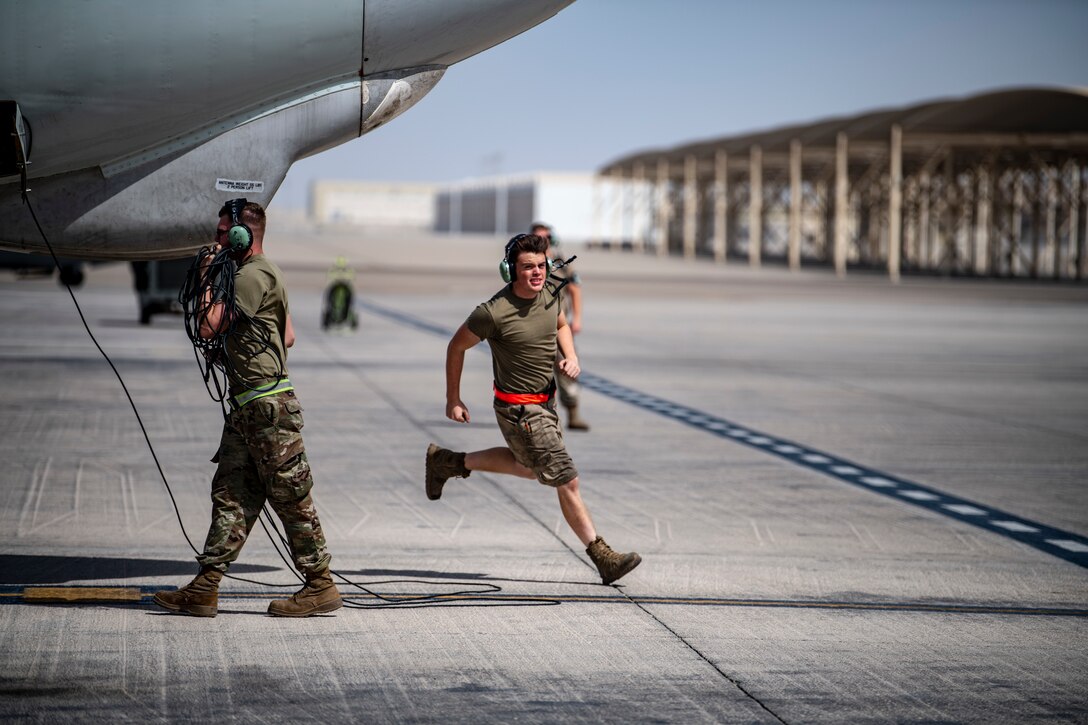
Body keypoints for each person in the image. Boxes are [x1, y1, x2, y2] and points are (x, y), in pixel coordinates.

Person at [154, 199, 342, 618]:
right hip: (248, 407)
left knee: (291, 497)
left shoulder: (253, 276)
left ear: (242, 234)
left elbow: (207, 325)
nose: (217, 239)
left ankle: (320, 585)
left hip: (267, 407)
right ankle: (205, 587)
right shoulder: (259, 274)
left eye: (223, 232)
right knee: (231, 494)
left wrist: (206, 277)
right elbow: (288, 336)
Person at [424, 233, 641, 585]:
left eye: (541, 266)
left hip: (546, 404)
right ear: (510, 270)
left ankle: (447, 461)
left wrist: (571, 357)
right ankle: (602, 556)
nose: (537, 273)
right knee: (567, 478)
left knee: (529, 469)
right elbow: (455, 347)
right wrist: (453, 398)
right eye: (528, 267)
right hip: (519, 412)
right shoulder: (492, 312)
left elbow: (560, 324)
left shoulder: (550, 296)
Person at [531, 222, 589, 431]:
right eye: (537, 237)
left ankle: (573, 413)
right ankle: (540, 417)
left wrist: (577, 319)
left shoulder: (561, 263)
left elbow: (575, 289)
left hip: (558, 326)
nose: (542, 241)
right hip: (533, 328)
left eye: (545, 237)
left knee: (568, 369)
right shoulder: (525, 261)